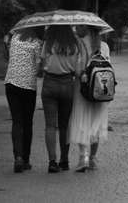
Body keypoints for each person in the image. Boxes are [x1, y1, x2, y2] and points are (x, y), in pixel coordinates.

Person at [68, 26, 111, 172]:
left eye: (79, 26)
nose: (77, 28)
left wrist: (79, 74)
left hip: (82, 90)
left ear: (86, 28)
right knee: (96, 124)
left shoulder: (79, 44)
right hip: (100, 90)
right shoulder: (104, 46)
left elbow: (77, 69)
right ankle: (92, 159)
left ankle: (83, 158)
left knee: (81, 122)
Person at [41, 25, 80, 173]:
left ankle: (52, 162)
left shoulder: (48, 43)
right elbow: (77, 70)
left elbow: (43, 63)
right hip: (67, 85)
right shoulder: (74, 45)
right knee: (65, 125)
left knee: (50, 125)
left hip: (49, 84)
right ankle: (64, 160)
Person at [4, 27, 43, 173]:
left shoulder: (14, 39)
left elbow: (10, 58)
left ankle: (18, 158)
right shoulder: (37, 43)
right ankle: (25, 160)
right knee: (27, 123)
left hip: (11, 84)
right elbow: (39, 69)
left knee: (17, 121)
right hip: (28, 87)